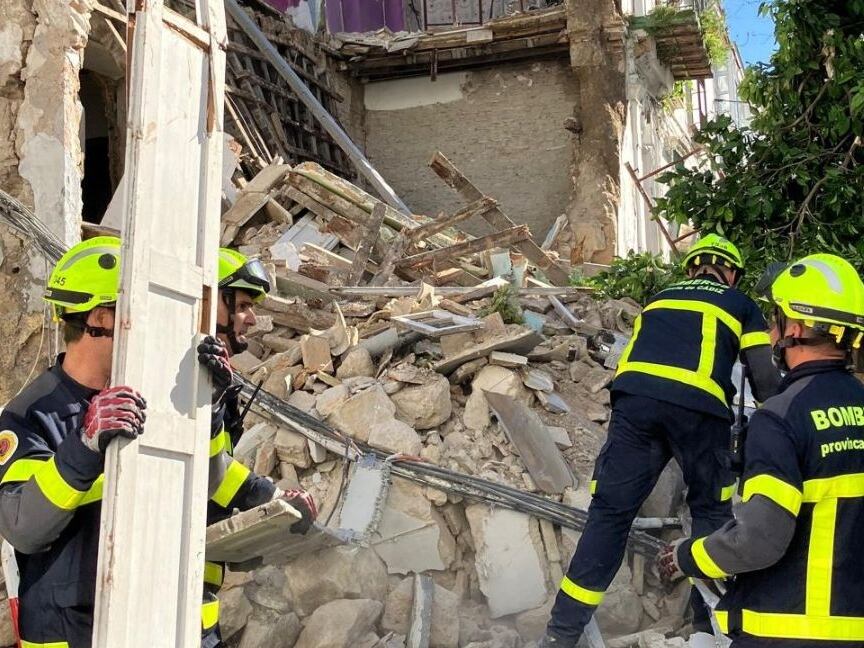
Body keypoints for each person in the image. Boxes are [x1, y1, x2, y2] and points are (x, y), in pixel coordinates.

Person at [0, 238, 314, 647]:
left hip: (169, 621)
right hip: (80, 633)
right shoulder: (31, 414)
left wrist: (213, 410)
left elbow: (208, 481)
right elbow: (23, 528)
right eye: (143, 313)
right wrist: (84, 446)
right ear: (100, 318)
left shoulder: (156, 392)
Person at [541, 234, 780, 647]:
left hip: (635, 407)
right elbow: (763, 378)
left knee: (610, 517)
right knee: (709, 511)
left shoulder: (660, 299)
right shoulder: (738, 304)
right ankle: (710, 627)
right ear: (733, 276)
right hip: (700, 411)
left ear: (692, 269)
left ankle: (560, 634)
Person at [658, 253, 864, 648]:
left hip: (787, 631)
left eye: (776, 320)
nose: (771, 333)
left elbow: (759, 539)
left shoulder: (782, 417)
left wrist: (689, 556)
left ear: (797, 327)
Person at [197, 248, 318, 648]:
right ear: (210, 300)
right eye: (244, 305)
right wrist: (273, 498)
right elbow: (209, 474)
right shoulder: (188, 377)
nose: (252, 318)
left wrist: (271, 515)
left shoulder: (211, 379)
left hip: (198, 590)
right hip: (173, 587)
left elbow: (214, 471)